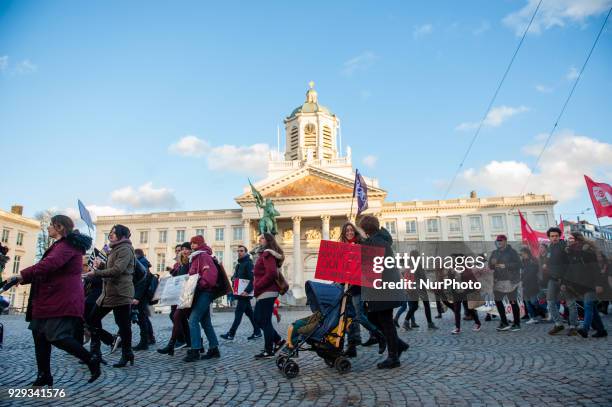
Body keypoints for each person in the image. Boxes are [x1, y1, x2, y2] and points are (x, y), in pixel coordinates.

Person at [16, 215, 101, 386]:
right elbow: (48, 270)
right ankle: (44, 375)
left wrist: (21, 274)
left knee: (57, 336)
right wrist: (23, 279)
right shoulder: (60, 245)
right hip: (48, 299)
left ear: (60, 227)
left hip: (60, 299)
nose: (48, 228)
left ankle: (90, 359)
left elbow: (49, 265)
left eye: (51, 225)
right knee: (40, 336)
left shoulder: (67, 246)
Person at [359, 215, 409, 369]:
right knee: (373, 318)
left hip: (382, 290)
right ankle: (398, 345)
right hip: (385, 289)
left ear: (365, 229)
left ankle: (393, 357)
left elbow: (372, 268)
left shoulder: (373, 243)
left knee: (385, 322)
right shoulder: (380, 240)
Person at [85, 224, 136, 368]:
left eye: (114, 233)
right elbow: (110, 269)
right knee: (91, 320)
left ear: (122, 235)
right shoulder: (113, 249)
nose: (111, 235)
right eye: (110, 233)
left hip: (121, 293)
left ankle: (127, 354)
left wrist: (96, 272)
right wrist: (100, 266)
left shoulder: (125, 249)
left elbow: (118, 270)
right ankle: (97, 352)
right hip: (107, 293)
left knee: (124, 326)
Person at [339, 222, 385, 358]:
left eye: (351, 230)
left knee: (359, 316)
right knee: (349, 318)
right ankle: (352, 346)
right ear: (343, 233)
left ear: (355, 231)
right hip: (346, 287)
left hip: (358, 286)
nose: (349, 232)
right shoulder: (343, 247)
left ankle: (379, 335)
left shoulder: (361, 244)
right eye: (346, 230)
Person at [184, 235, 221, 362]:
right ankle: (214, 348)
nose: (192, 245)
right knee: (205, 322)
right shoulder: (196, 257)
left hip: (204, 292)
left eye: (194, 243)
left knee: (193, 320)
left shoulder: (203, 256)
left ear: (200, 244)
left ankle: (195, 350)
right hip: (201, 292)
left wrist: (199, 285)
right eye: (191, 243)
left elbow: (210, 275)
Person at [565, 232, 608, 338]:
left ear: (576, 239)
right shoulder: (572, 253)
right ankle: (601, 330)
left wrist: (599, 284)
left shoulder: (587, 250)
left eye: (570, 239)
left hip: (592, 283)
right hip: (582, 285)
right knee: (592, 307)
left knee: (588, 305)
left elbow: (596, 268)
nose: (568, 241)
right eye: (568, 240)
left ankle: (585, 329)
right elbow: (571, 270)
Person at [253, 233, 286, 359]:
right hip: (264, 292)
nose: (259, 239)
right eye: (259, 237)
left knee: (265, 321)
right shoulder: (264, 254)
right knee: (257, 319)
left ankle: (269, 350)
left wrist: (258, 285)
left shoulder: (267, 254)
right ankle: (277, 340)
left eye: (262, 238)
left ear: (268, 240)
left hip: (267, 291)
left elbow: (271, 273)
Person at [158, 242, 193, 355]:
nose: (182, 251)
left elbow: (188, 277)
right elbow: (178, 277)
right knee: (181, 318)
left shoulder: (189, 263)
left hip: (188, 295)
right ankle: (184, 343)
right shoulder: (182, 264)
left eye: (184, 249)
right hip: (182, 295)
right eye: (180, 250)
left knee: (186, 319)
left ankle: (178, 343)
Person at [220, 245, 261, 341]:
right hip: (240, 292)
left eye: (241, 251)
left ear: (246, 252)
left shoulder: (248, 263)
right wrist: (233, 278)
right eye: (238, 251)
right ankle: (257, 331)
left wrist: (247, 291)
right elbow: (235, 276)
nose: (239, 252)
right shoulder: (238, 264)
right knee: (250, 313)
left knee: (238, 313)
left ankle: (231, 334)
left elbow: (253, 279)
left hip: (244, 293)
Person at [543, 227, 576, 335]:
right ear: (549, 237)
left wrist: (565, 280)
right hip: (552, 279)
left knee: (570, 303)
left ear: (559, 236)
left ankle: (573, 326)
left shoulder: (564, 246)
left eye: (556, 236)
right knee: (550, 302)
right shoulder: (549, 247)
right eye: (552, 236)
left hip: (565, 279)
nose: (554, 238)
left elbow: (570, 264)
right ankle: (559, 324)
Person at [489, 235, 522, 332]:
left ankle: (517, 323)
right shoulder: (494, 252)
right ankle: (504, 322)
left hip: (511, 281)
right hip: (498, 281)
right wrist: (491, 263)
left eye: (501, 240)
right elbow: (490, 266)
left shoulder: (512, 252)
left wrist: (506, 265)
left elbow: (519, 264)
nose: (499, 242)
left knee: (513, 302)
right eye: (497, 240)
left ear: (505, 241)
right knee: (498, 301)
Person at [400, 250, 438, 330]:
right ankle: (430, 323)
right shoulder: (417, 264)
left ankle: (406, 322)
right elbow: (422, 276)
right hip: (420, 287)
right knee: (426, 305)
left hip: (413, 288)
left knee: (414, 306)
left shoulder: (409, 264)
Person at [133, 249, 155, 350]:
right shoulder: (144, 262)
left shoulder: (141, 263)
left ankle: (144, 342)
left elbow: (143, 281)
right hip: (142, 294)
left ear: (136, 255)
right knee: (143, 317)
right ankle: (150, 338)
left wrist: (137, 296)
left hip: (141, 295)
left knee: (142, 318)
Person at [519, 247, 546, 324]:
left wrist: (524, 278)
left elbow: (533, 272)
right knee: (527, 302)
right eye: (521, 254)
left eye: (522, 254)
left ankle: (546, 309)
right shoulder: (522, 262)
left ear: (526, 253)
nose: (521, 256)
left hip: (533, 284)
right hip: (525, 284)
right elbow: (522, 272)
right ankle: (533, 317)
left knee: (534, 301)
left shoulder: (533, 260)